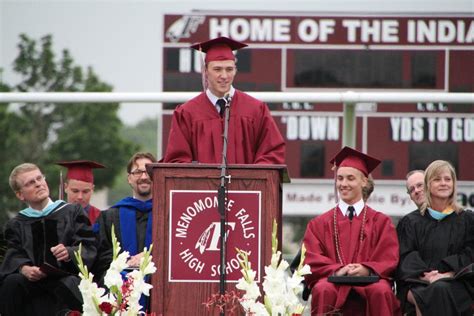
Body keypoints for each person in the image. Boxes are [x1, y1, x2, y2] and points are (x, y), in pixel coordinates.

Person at [303, 146, 400, 315]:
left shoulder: (381, 221)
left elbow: (389, 257)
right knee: (323, 288)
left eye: (350, 178)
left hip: (371, 280)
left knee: (381, 290)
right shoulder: (319, 223)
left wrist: (367, 269)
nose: (343, 184)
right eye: (339, 178)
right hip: (333, 280)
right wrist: (337, 270)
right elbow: (311, 258)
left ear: (364, 181)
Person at [163, 36, 285, 164]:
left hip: (246, 184)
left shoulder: (255, 110)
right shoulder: (187, 113)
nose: (224, 76)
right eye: (217, 69)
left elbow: (272, 152)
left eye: (229, 69)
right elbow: (177, 160)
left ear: (236, 71)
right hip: (201, 185)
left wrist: (252, 179)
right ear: (205, 71)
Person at [0, 163, 97, 315]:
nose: (38, 184)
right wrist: (23, 268)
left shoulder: (72, 212)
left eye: (39, 178)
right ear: (20, 195)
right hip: (31, 284)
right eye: (30, 183)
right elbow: (14, 254)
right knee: (11, 283)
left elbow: (89, 246)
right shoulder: (16, 224)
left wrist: (69, 253)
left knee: (71, 286)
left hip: (65, 281)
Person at [396, 160, 474, 316]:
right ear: (427, 185)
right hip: (419, 282)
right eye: (437, 179)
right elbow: (406, 256)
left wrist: (448, 274)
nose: (443, 183)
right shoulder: (411, 222)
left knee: (440, 289)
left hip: (458, 281)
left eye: (448, 179)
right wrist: (428, 275)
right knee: (433, 291)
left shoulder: (466, 220)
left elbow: (470, 253)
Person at [94, 152, 156, 279]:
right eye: (137, 172)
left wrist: (150, 257)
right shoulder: (110, 216)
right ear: (129, 178)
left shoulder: (168, 216)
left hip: (159, 287)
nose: (144, 176)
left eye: (148, 171)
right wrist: (125, 263)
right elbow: (101, 255)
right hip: (120, 288)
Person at [57, 160, 106, 224]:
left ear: (92, 189)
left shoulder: (100, 219)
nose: (80, 197)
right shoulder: (56, 216)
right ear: (65, 187)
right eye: (75, 191)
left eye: (85, 192)